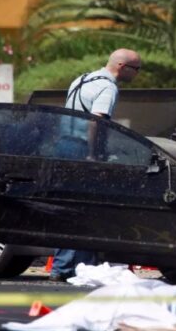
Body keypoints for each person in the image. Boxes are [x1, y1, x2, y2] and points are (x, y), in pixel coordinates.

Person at [50, 48, 142, 282]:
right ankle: (76, 268)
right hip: (81, 151)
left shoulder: (82, 79)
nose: (138, 74)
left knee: (67, 208)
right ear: (122, 67)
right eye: (136, 69)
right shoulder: (108, 87)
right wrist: (93, 154)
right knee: (85, 210)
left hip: (63, 147)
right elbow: (96, 121)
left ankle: (63, 267)